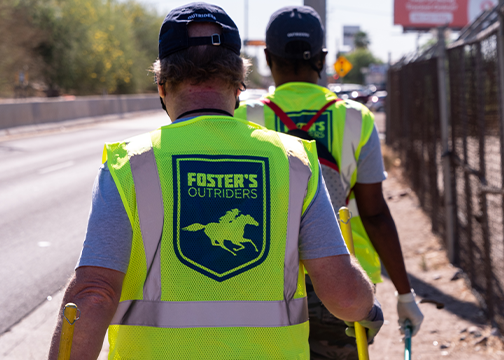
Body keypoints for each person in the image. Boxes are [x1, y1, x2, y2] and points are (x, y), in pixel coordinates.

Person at [48, 3, 383, 359]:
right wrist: (368, 309)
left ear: (162, 85)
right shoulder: (294, 163)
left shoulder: (129, 165)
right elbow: (343, 295)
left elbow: (93, 295)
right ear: (240, 84)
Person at [235, 5, 424, 359]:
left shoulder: (245, 118)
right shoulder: (355, 119)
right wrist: (404, 294)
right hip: (345, 282)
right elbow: (375, 213)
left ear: (267, 57)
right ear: (322, 58)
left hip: (269, 287)